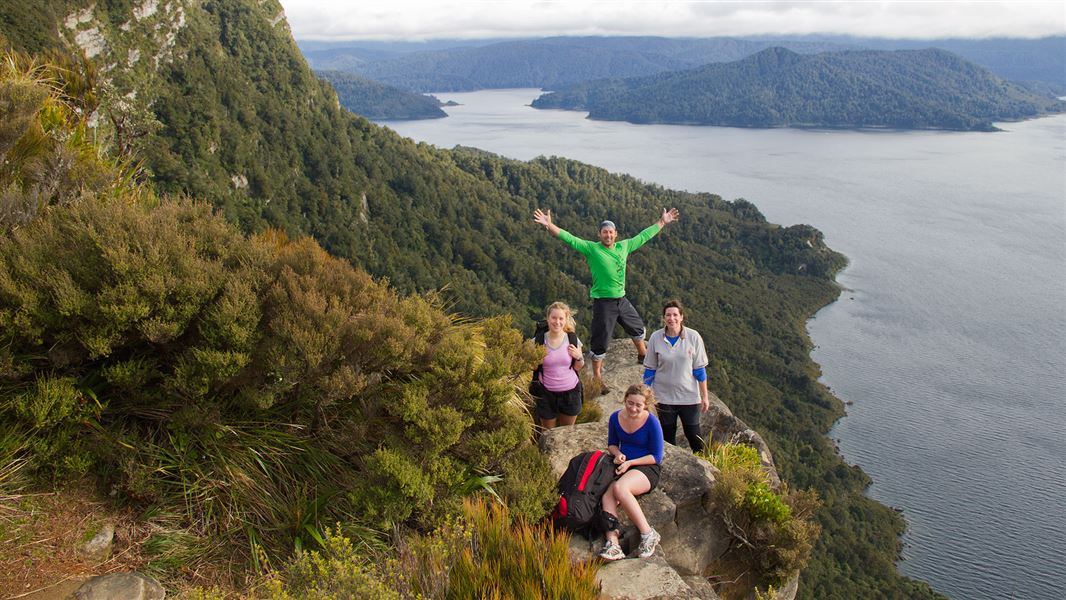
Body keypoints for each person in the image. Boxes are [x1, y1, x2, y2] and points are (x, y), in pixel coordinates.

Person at [532, 207, 680, 391]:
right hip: (603, 303)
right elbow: (569, 238)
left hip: (621, 299)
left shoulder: (623, 246)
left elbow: (643, 236)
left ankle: (642, 354)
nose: (608, 235)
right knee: (600, 341)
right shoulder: (592, 249)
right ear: (599, 234)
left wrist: (662, 222)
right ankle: (598, 377)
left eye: (611, 232)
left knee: (637, 326)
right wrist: (549, 225)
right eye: (605, 232)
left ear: (616, 234)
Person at [599, 383, 664, 561]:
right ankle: (613, 543)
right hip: (624, 464)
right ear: (625, 399)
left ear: (645, 406)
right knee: (606, 496)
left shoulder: (651, 422)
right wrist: (618, 454)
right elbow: (612, 443)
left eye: (638, 405)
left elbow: (657, 456)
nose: (633, 408)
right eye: (630, 403)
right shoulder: (615, 418)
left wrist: (630, 463)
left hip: (646, 467)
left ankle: (648, 533)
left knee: (620, 488)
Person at [643, 300, 710, 452]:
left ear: (681, 317)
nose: (671, 318)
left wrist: (704, 396)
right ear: (663, 318)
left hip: (689, 396)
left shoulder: (693, 337)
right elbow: (650, 370)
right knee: (668, 436)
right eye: (668, 315)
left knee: (694, 435)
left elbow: (699, 370)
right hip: (664, 397)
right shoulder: (656, 338)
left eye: (675, 315)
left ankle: (706, 467)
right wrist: (645, 396)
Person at [532, 302, 585, 429]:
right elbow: (532, 368)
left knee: (566, 433)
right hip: (546, 394)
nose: (557, 322)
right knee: (548, 433)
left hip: (570, 393)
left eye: (561, 318)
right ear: (548, 318)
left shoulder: (572, 339)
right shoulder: (537, 342)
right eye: (554, 318)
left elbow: (578, 367)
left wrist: (579, 356)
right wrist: (536, 359)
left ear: (566, 319)